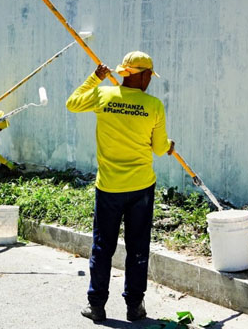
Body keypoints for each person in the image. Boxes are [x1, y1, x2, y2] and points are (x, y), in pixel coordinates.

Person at [66, 51, 174, 322]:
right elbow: (160, 149)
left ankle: (97, 305)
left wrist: (95, 78)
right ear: (144, 74)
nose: (150, 79)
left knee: (103, 246)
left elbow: (72, 103)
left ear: (124, 73)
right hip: (141, 188)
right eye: (149, 75)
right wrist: (169, 145)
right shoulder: (154, 105)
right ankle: (134, 306)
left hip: (110, 188)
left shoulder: (103, 96)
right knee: (138, 246)